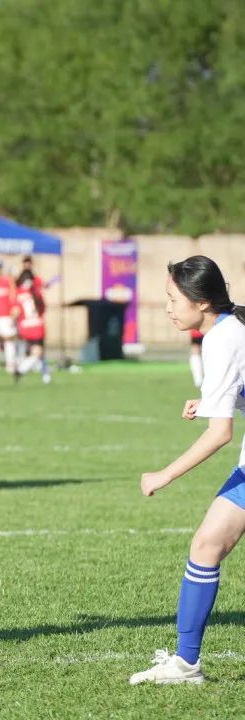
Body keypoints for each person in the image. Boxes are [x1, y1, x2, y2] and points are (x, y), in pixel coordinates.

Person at [129, 255, 245, 686]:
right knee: (207, 545)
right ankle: (185, 664)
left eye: (172, 299)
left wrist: (164, 474)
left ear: (200, 302)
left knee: (206, 545)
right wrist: (215, 401)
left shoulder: (222, 338)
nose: (167, 308)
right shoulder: (228, 329)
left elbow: (220, 436)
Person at [12, 270, 50, 384]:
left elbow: (16, 311)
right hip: (36, 327)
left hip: (25, 327)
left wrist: (14, 323)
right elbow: (43, 309)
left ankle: (46, 377)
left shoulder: (19, 292)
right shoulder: (36, 292)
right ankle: (20, 370)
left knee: (39, 353)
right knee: (37, 353)